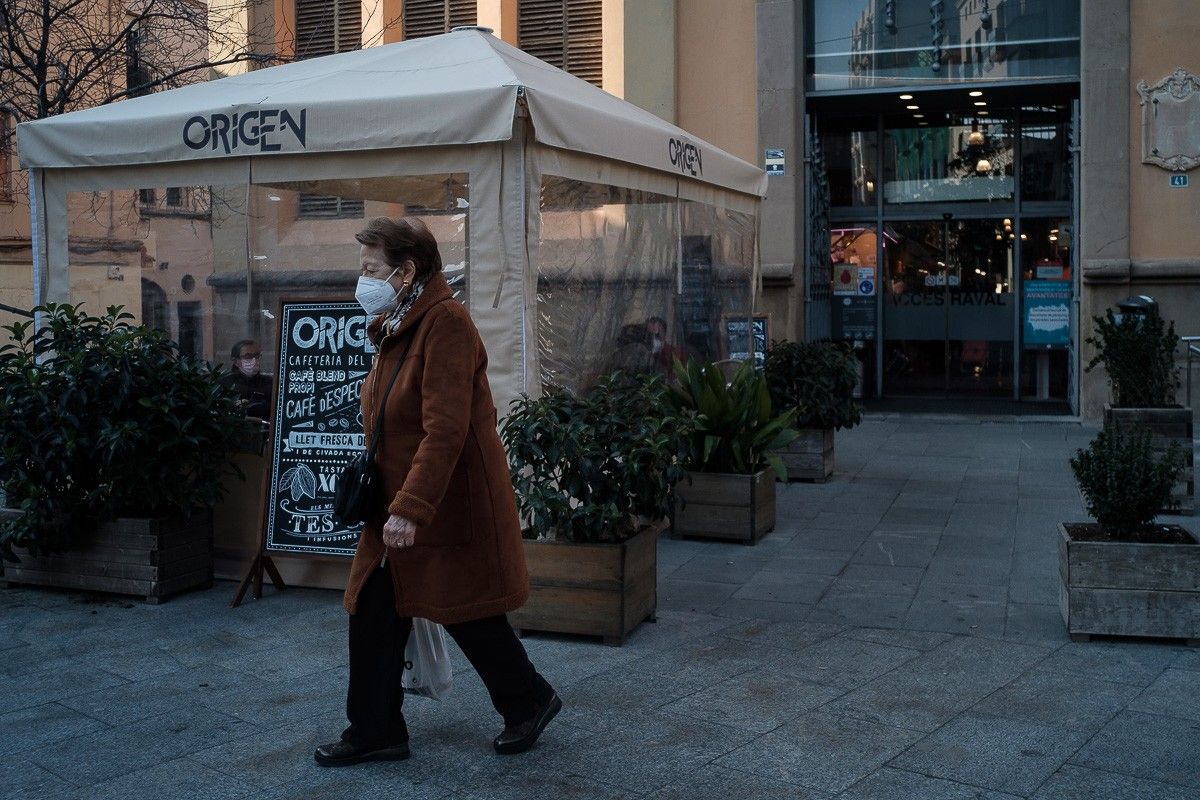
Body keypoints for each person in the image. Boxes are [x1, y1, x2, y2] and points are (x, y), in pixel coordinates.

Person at [314, 216, 559, 768]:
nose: (363, 279)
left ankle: (530, 700)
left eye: (371, 268)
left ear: (406, 271)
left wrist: (412, 507)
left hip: (443, 504)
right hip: (399, 503)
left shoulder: (444, 324)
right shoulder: (399, 323)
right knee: (374, 607)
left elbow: (444, 428)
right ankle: (376, 729)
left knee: (466, 608)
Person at [223, 339, 273, 418]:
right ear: (235, 361)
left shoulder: (271, 383)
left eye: (257, 356)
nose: (254, 360)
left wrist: (253, 405)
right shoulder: (224, 383)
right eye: (248, 356)